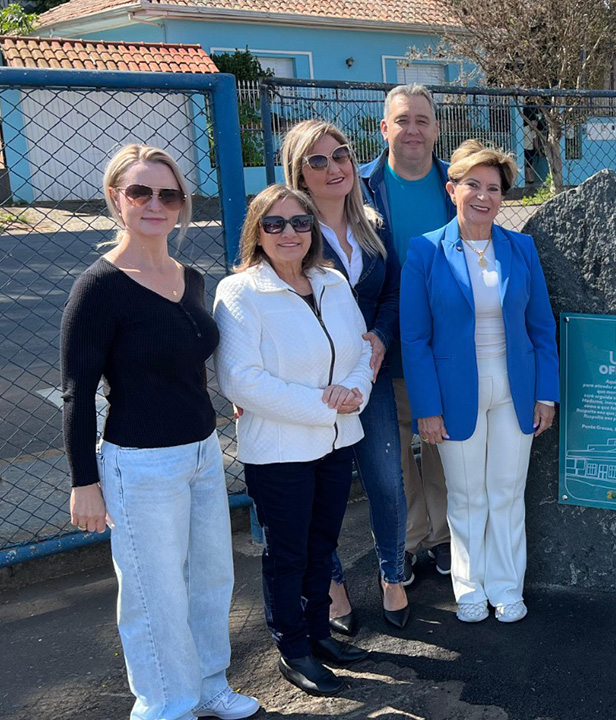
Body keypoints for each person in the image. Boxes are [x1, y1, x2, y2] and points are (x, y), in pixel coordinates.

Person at [61, 144, 259, 720]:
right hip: (139, 464)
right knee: (154, 595)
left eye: (168, 194)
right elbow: (76, 392)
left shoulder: (189, 278)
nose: (155, 204)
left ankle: (207, 685)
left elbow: (193, 362)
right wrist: (85, 483)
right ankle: (163, 704)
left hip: (201, 453)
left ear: (180, 206)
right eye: (140, 192)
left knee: (210, 579)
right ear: (115, 200)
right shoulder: (98, 287)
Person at [214, 184, 374, 696]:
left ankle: (319, 634)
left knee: (323, 545)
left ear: (313, 231)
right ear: (256, 232)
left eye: (300, 222)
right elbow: (242, 380)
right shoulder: (240, 292)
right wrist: (324, 405)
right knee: (288, 554)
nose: (289, 233)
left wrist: (356, 392)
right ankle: (293, 648)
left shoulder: (332, 282)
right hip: (280, 451)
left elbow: (360, 349)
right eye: (275, 223)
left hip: (336, 440)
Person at [400, 140, 559, 624]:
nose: (484, 196)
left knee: (508, 493)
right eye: (473, 185)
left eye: (494, 188)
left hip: (515, 389)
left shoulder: (521, 248)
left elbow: (541, 326)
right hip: (453, 397)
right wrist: (427, 407)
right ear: (453, 190)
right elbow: (414, 338)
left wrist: (546, 394)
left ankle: (508, 586)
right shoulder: (425, 250)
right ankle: (469, 588)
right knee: (467, 497)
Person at [281, 119, 410, 634]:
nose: (334, 168)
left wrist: (379, 337)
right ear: (299, 173)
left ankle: (393, 577)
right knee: (322, 491)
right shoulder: (289, 230)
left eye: (341, 155)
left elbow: (392, 293)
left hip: (367, 377)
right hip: (312, 384)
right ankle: (333, 587)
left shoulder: (373, 225)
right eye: (317, 160)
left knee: (386, 480)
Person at [360, 83, 458, 579]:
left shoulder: (455, 186)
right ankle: (410, 538)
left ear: (436, 129)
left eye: (422, 120)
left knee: (440, 444)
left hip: (443, 346)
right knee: (394, 450)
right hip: (381, 341)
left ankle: (441, 537)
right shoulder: (359, 188)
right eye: (402, 120)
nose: (412, 130)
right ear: (384, 128)